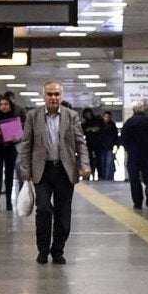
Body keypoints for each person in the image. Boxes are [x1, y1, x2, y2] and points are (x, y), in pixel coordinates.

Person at [18, 80, 88, 264]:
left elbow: (80, 142)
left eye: (57, 94)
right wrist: (25, 169)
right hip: (42, 171)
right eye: (50, 94)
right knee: (43, 209)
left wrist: (85, 165)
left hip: (65, 171)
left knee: (63, 212)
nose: (53, 98)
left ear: (62, 96)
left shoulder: (71, 116)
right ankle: (42, 249)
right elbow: (26, 145)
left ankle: (58, 250)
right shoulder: (33, 116)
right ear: (44, 96)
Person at [120, 97, 148, 208]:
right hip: (147, 155)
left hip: (133, 155)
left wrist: (128, 149)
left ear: (133, 110)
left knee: (134, 179)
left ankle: (138, 202)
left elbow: (123, 140)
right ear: (142, 110)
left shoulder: (129, 123)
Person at [0, 90, 23, 214]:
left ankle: (8, 200)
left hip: (10, 148)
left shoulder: (15, 118)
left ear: (10, 106)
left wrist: (17, 137)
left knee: (9, 175)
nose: (3, 106)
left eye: (6, 104)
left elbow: (20, 134)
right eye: (1, 104)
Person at [83, 106, 117, 182]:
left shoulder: (98, 121)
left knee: (100, 161)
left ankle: (101, 175)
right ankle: (94, 175)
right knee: (92, 161)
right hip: (91, 144)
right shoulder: (85, 123)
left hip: (99, 144)